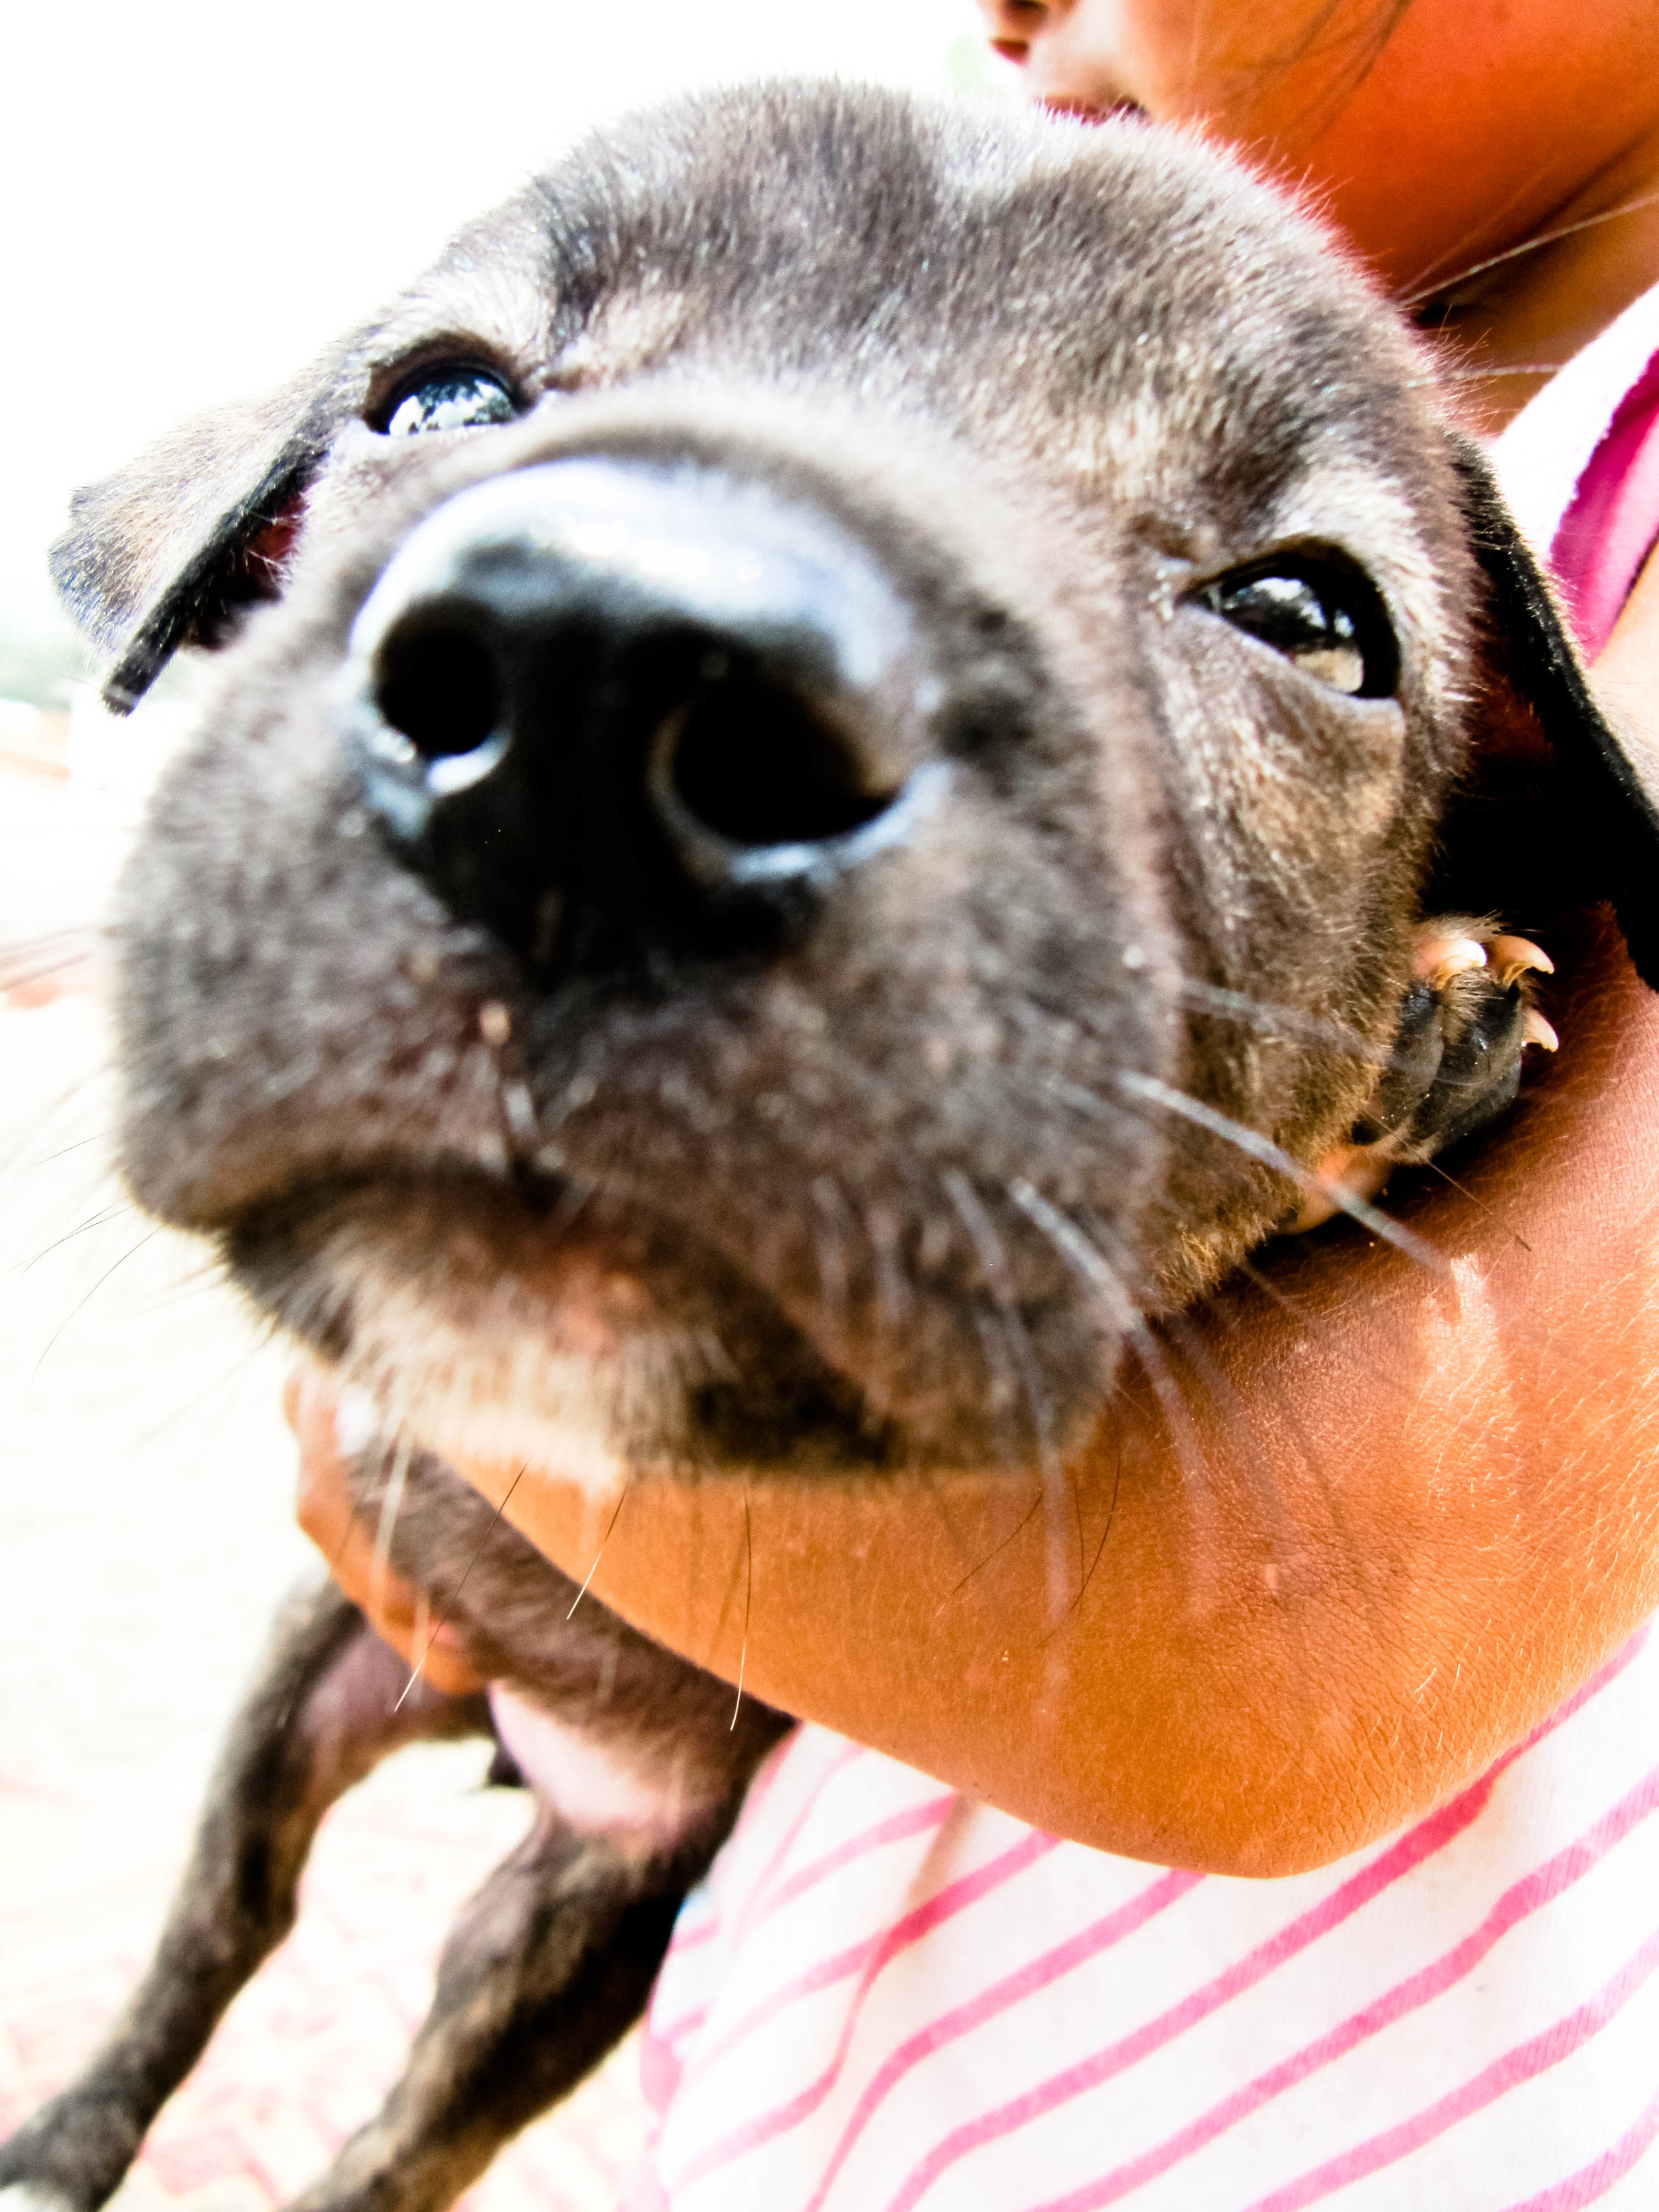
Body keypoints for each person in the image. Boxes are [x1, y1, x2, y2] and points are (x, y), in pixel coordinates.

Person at [293, 1, 1659, 2198]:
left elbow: (1282, 1655)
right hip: (841, 2053)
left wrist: (423, 1343)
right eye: (462, 405)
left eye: (1296, 617)